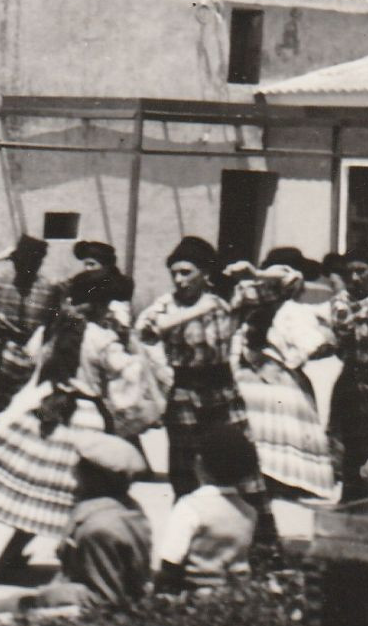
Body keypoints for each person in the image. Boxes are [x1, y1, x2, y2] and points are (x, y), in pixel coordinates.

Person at [0, 267, 144, 571]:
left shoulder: (53, 328)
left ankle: (7, 560)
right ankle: (82, 562)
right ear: (99, 305)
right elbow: (129, 373)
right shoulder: (102, 338)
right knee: (86, 493)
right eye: (106, 304)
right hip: (88, 419)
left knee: (41, 493)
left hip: (53, 412)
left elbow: (28, 358)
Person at [136, 236, 269, 525]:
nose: (179, 280)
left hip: (222, 388)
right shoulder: (166, 304)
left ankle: (259, 544)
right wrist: (191, 313)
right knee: (185, 471)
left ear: (206, 274)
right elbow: (146, 331)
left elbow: (285, 286)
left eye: (187, 272)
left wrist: (253, 273)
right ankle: (189, 545)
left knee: (241, 462)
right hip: (185, 391)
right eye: (175, 273)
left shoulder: (226, 300)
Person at [0, 430, 152, 614]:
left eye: (80, 466)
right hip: (82, 592)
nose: (73, 472)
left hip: (81, 606)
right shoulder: (125, 508)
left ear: (94, 477)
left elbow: (105, 598)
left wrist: (46, 597)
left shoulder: (98, 529)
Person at [224, 249, 338, 501]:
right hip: (258, 376)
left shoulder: (281, 308)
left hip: (268, 376)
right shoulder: (268, 306)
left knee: (269, 426)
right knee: (266, 425)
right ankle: (268, 477)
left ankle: (275, 478)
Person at [0, 234, 61, 452]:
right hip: (24, 361)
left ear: (15, 260)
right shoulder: (50, 290)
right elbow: (53, 324)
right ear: (40, 261)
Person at [154, 425, 261, 594]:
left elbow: (170, 561)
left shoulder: (190, 507)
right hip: (236, 596)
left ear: (199, 464)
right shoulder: (249, 512)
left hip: (195, 597)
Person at [322, 239, 368, 501]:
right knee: (352, 449)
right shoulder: (342, 304)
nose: (355, 278)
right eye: (350, 273)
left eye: (362, 271)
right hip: (353, 382)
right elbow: (341, 339)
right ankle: (351, 504)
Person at [72, 238, 131, 333]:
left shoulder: (121, 283)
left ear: (106, 266)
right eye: (86, 264)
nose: (87, 268)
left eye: (92, 264)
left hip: (109, 327)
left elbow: (120, 311)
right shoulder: (80, 280)